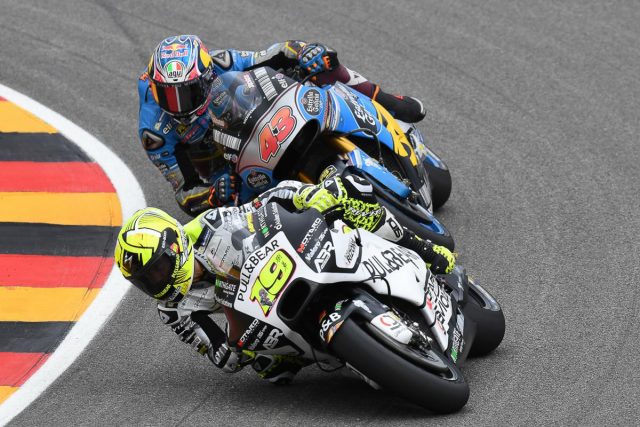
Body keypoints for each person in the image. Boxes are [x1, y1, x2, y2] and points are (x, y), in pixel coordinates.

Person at [114, 170, 455, 384]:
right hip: (255, 312)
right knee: (271, 371)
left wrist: (308, 197)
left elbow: (264, 205)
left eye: (157, 269)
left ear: (175, 246)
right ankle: (355, 355)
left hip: (286, 264)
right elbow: (221, 357)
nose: (156, 282)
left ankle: (422, 249)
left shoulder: (209, 226)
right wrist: (239, 349)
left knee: (348, 200)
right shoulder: (173, 311)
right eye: (145, 281)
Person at [139, 35, 427, 216]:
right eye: (167, 94)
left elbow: (273, 54)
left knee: (322, 63)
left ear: (206, 76)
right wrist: (212, 194)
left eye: (187, 92)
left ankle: (387, 101)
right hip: (223, 167)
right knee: (240, 217)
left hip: (258, 122)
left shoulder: (220, 63)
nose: (178, 105)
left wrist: (302, 52)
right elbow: (185, 193)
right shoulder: (154, 133)